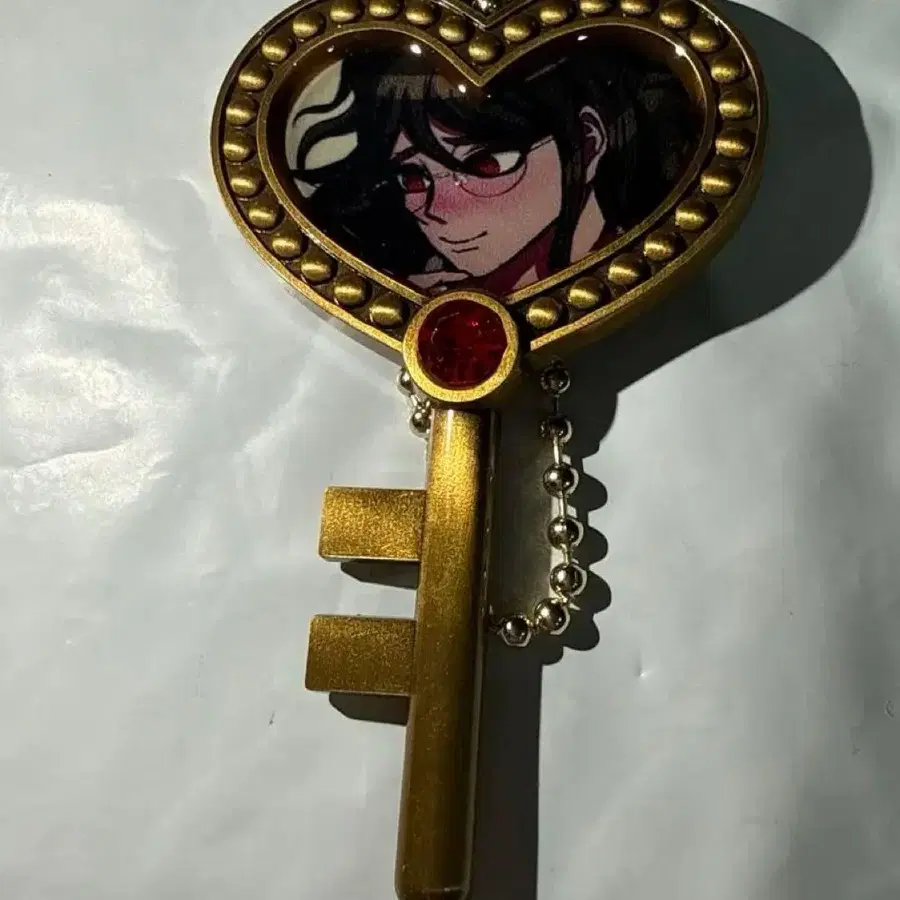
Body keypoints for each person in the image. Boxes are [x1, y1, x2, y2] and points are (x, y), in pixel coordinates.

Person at [285, 39, 699, 295]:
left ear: (589, 142)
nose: (438, 209)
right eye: (412, 178)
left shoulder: (640, 255)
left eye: (485, 164)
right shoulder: (424, 280)